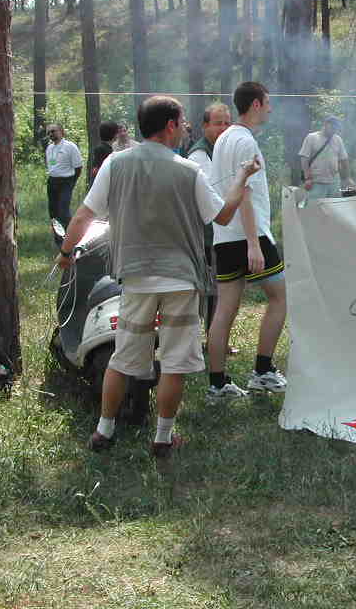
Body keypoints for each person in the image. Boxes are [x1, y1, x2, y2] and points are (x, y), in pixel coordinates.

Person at [57, 95, 261, 457]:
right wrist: (243, 176)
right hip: (181, 280)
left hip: (135, 278)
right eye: (182, 122)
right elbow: (224, 215)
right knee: (174, 363)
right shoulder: (189, 171)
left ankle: (104, 431)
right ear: (169, 125)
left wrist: (66, 253)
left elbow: (84, 215)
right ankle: (163, 438)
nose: (185, 129)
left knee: (123, 359)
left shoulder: (115, 164)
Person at [206, 81, 289, 402]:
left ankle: (217, 385)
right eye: (267, 103)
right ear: (255, 104)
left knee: (224, 310)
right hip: (248, 234)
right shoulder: (244, 141)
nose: (270, 108)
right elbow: (244, 193)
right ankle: (263, 371)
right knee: (280, 298)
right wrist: (254, 243)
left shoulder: (224, 138)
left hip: (225, 236)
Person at [187, 103, 235, 349]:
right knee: (206, 289)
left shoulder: (221, 150)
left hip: (219, 232)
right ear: (205, 126)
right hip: (206, 235)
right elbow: (213, 196)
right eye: (218, 123)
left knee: (217, 289)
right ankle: (202, 341)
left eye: (227, 123)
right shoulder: (199, 155)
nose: (224, 128)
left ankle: (214, 340)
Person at [299, 116, 354, 202]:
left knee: (335, 206)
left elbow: (344, 159)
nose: (334, 130)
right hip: (316, 182)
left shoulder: (338, 139)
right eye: (333, 127)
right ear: (326, 124)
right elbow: (304, 158)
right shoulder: (312, 137)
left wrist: (348, 177)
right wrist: (307, 178)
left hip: (334, 182)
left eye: (336, 128)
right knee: (316, 207)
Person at [45, 123, 83, 244]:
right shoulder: (49, 148)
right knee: (53, 213)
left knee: (63, 212)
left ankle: (72, 239)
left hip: (66, 181)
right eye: (49, 132)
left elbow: (78, 167)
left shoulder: (70, 147)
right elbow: (51, 165)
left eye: (53, 131)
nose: (51, 134)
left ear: (61, 131)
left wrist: (71, 182)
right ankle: (59, 240)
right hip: (52, 182)